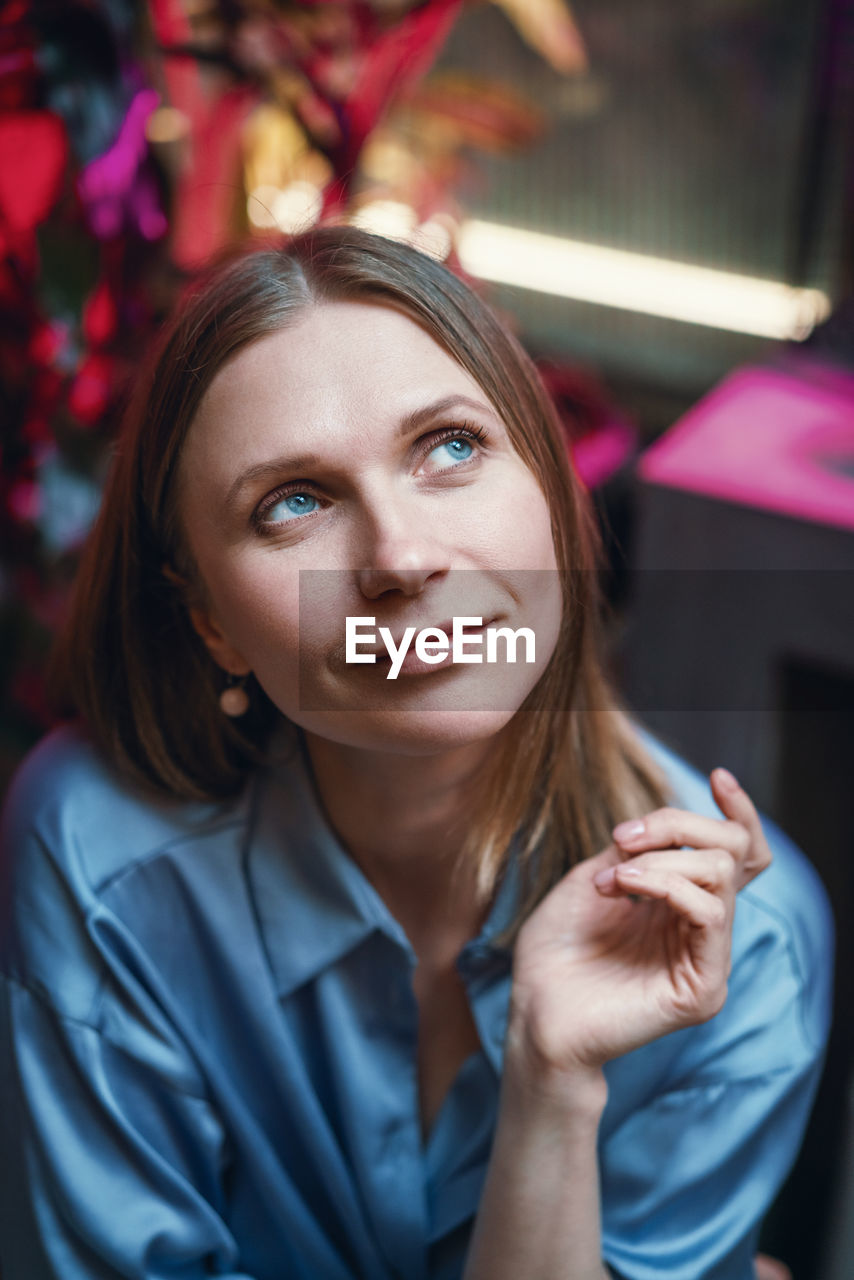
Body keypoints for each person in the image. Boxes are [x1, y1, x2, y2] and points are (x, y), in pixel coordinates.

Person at [0, 225, 832, 1280]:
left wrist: (552, 1083)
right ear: (209, 618)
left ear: (548, 487)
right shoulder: (98, 851)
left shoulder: (743, 941)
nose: (400, 557)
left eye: (449, 446)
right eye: (291, 502)